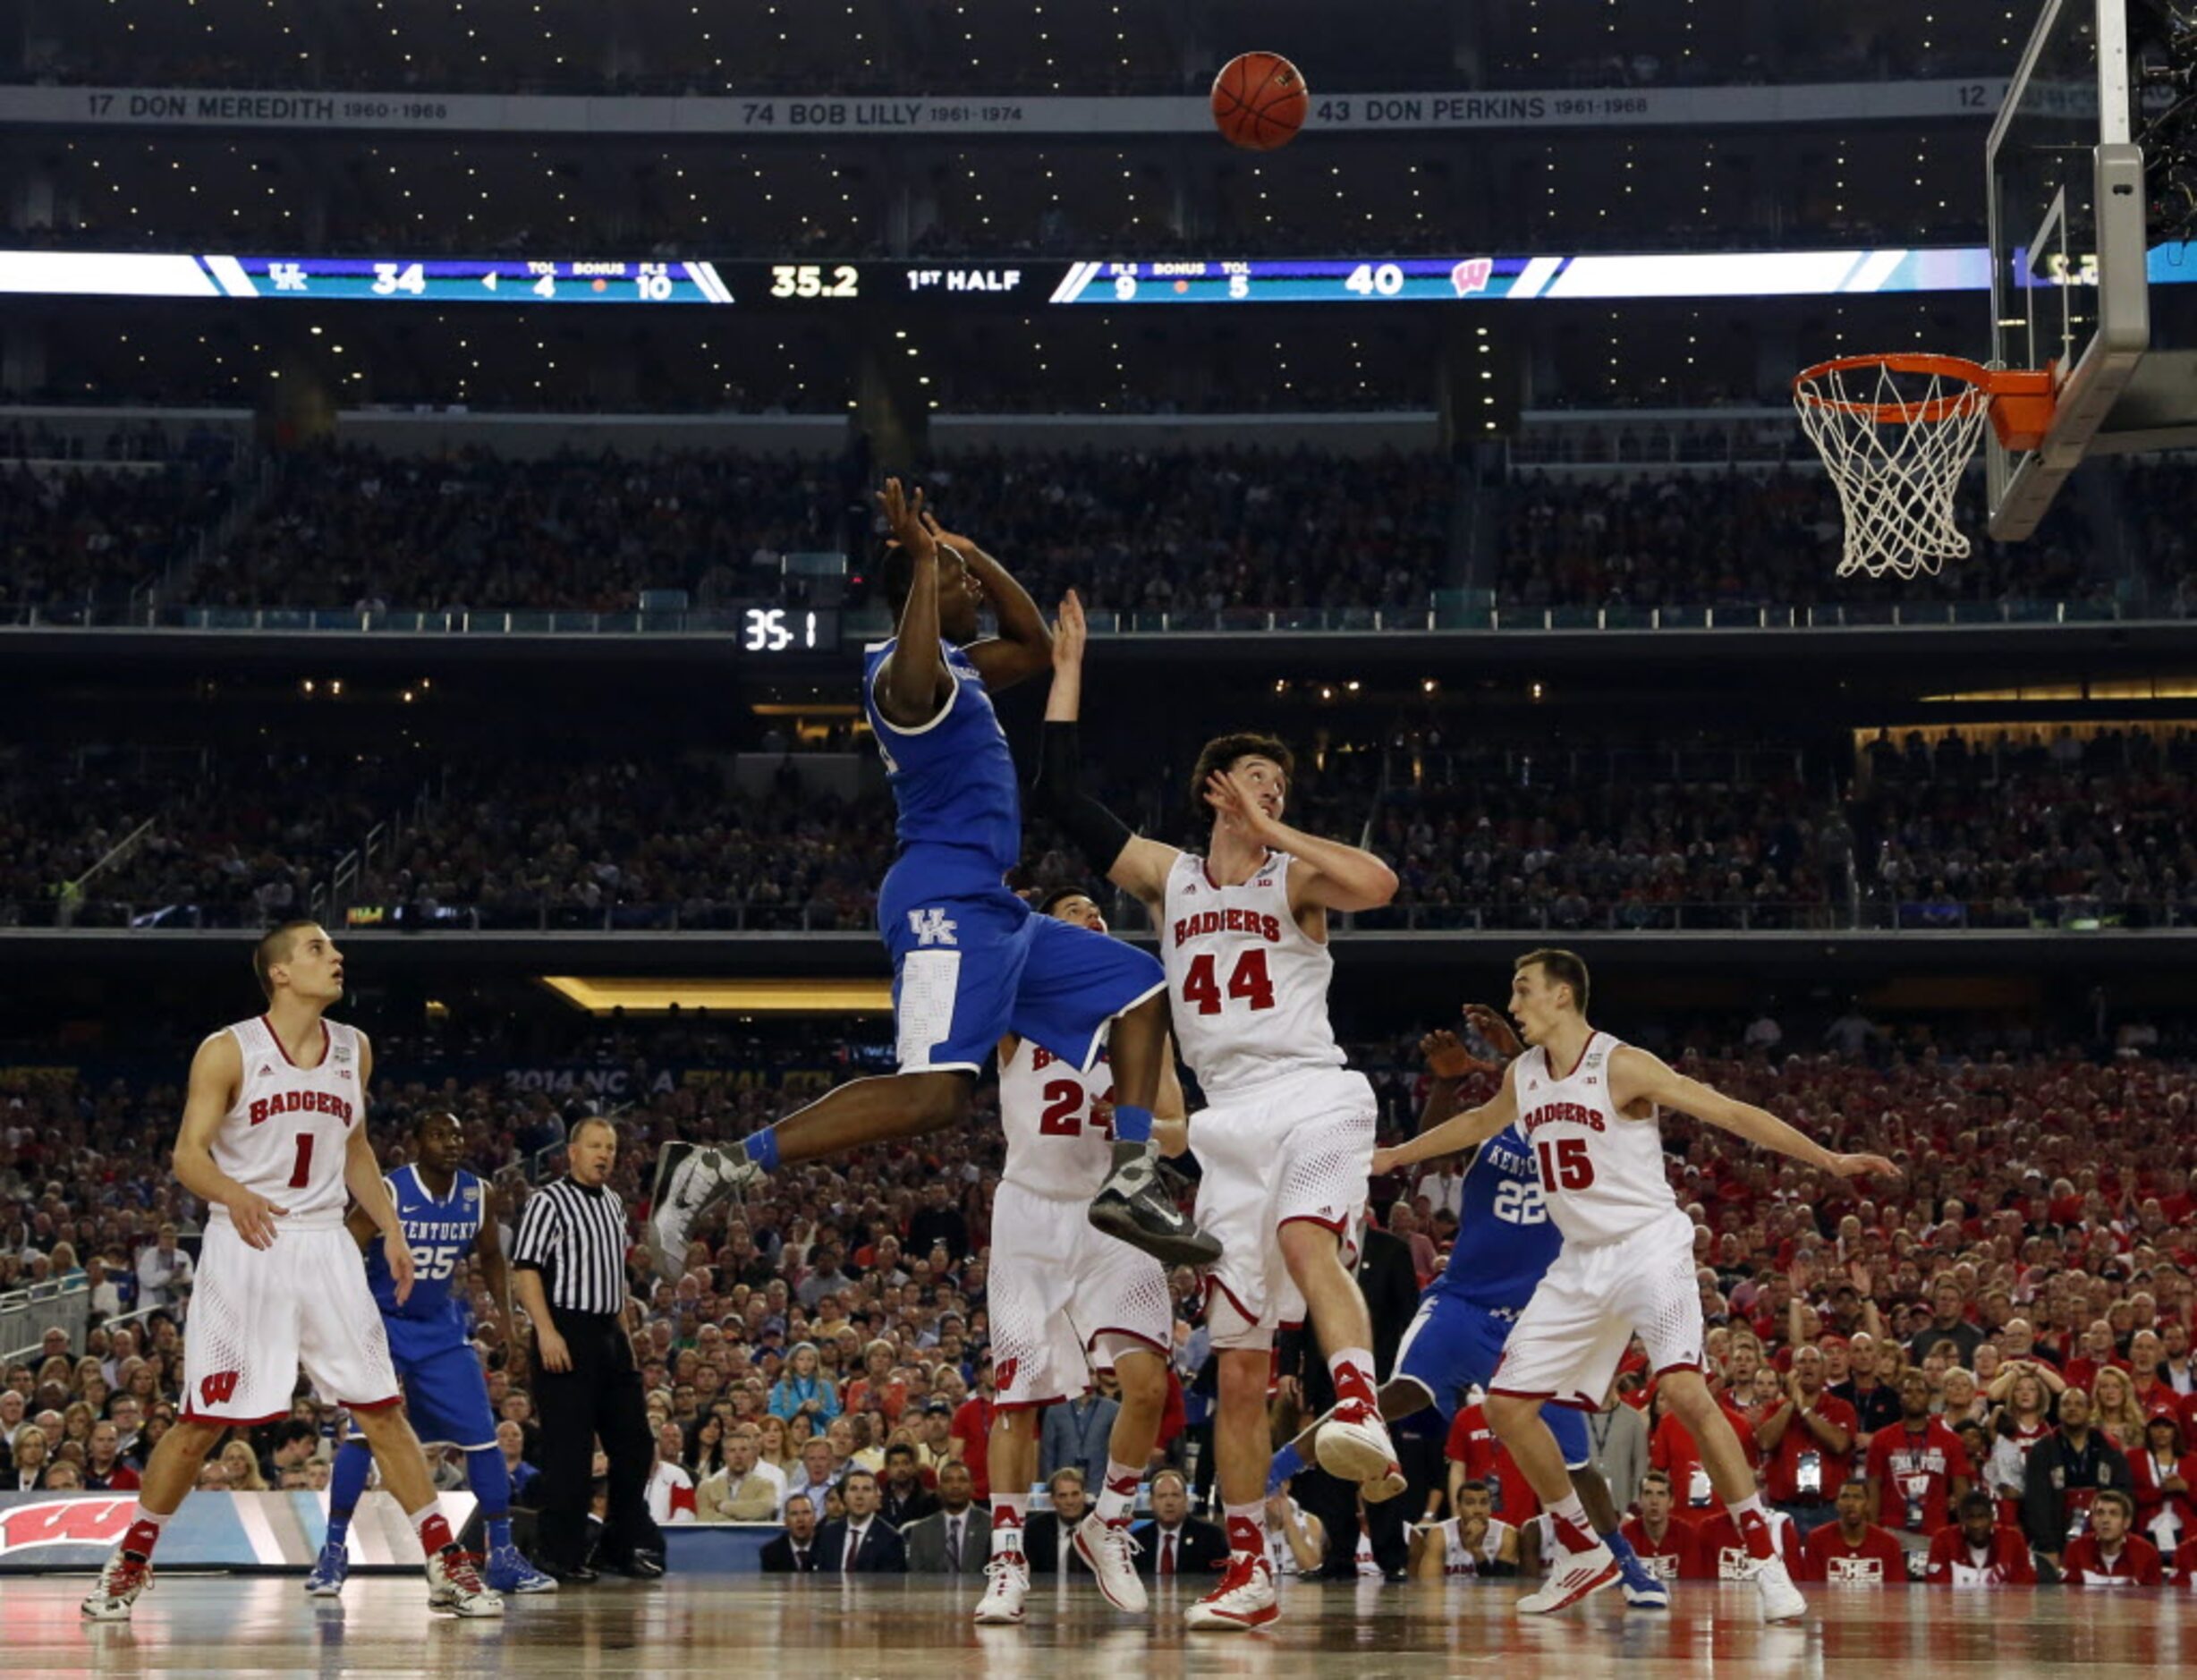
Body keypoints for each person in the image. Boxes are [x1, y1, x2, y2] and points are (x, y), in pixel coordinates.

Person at [648, 488, 1204, 1279]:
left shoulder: (962, 666)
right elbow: (919, 666)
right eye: (956, 584)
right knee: (933, 1096)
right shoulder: (903, 683)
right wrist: (919, 560)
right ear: (915, 595)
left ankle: (1132, 1176)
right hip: (942, 903)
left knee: (1140, 986)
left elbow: (1038, 644)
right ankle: (719, 1164)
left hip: (996, 907)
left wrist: (965, 552)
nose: (972, 591)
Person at [1033, 590, 1405, 1632]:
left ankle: (1359, 1409)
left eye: (1280, 781)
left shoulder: (1297, 880)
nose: (1269, 790)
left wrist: (1276, 822)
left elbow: (1379, 884)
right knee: (1238, 1373)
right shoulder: (1171, 879)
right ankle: (1247, 1569)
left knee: (1304, 1238)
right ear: (1210, 789)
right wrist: (1067, 673)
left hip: (1315, 1092)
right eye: (1253, 777)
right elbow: (1061, 799)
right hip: (1225, 1121)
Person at [1374, 947, 1896, 1623]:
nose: (1514, 1004)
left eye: (1524, 990)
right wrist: (1392, 1155)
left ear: (1563, 996)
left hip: (1649, 1247)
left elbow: (1728, 1112)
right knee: (1506, 1408)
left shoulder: (1620, 1064)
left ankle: (1765, 1558)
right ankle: (1581, 1548)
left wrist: (1825, 1158)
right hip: (1579, 1263)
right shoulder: (1526, 1073)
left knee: (1682, 1390)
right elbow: (1477, 1123)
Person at [82, 922, 499, 1621]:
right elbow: (188, 1156)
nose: (336, 958)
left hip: (326, 1243)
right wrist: (236, 1193)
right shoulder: (227, 1050)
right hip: (248, 1243)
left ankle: (445, 1563)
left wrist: (391, 1228)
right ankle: (129, 1562)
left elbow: (355, 1146)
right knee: (201, 1423)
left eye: (334, 950)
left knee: (381, 1409)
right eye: (317, 950)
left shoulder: (354, 1050)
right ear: (279, 973)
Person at [1274, 1012, 1666, 1607]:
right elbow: (1426, 1158)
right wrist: (1449, 1086)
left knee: (1579, 1461)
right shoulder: (1494, 1127)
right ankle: (1273, 1471)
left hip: (1536, 1321)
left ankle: (1627, 1565)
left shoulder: (1590, 1138)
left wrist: (1510, 1053)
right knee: (1388, 1395)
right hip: (1462, 1303)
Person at [978, 881, 1188, 1625]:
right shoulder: (1013, 1008)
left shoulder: (1137, 1018)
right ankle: (1007, 1560)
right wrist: (1001, 907)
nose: (1091, 922)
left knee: (1149, 1384)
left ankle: (1111, 1524)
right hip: (1029, 1212)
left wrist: (1134, 1124)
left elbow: (1178, 1131)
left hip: (1109, 1209)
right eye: (1074, 917)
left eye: (1098, 917)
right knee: (1019, 1396)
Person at [311, 1109, 553, 1598]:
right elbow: (342, 1247)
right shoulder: (391, 1190)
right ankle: (334, 1551)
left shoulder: (478, 1193)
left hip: (441, 1328)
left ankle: (502, 1555)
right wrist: (345, 1315)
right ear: (416, 1142)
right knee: (362, 1436)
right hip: (382, 1326)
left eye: (458, 1134)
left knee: (482, 1438)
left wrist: (507, 1322)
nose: (451, 1142)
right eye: (439, 1135)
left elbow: (490, 1257)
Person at [511, 1116, 664, 1583]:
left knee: (635, 1445)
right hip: (565, 1330)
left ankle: (618, 1545)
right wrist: (546, 1330)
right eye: (595, 1146)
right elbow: (526, 1269)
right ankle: (559, 1553)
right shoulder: (549, 1201)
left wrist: (625, 1339)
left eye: (611, 1147)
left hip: (608, 1333)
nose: (604, 1155)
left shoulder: (615, 1205)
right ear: (572, 1152)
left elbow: (612, 1277)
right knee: (569, 1453)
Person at [2022, 1387, 2133, 1575]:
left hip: (2101, 1532)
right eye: (2066, 1404)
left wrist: (2115, 1537)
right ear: (2058, 1411)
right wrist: (2047, 1547)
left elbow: (2123, 1493)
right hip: (2056, 1531)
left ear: (2090, 1410)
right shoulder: (2043, 1448)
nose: (2072, 1409)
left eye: (2079, 1404)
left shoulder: (2108, 1446)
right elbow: (2036, 1501)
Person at [1866, 1369, 1972, 1557]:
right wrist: (1873, 1533)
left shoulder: (1951, 1441)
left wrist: (1963, 1534)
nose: (1914, 1396)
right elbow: (1873, 1488)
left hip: (1935, 1531)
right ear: (1900, 1398)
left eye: (1920, 1391)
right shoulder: (1881, 1439)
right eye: (1908, 1391)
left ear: (1930, 1398)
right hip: (1891, 1531)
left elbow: (1962, 1492)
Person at [1758, 1345, 1857, 1540]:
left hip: (1828, 1509)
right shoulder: (1776, 1409)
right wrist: (1790, 1405)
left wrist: (1804, 1410)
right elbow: (1765, 1443)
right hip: (1785, 1509)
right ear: (1793, 1371)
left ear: (1824, 1370)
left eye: (1814, 1362)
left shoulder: (1841, 1407)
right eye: (1802, 1362)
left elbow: (1839, 1444)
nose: (1807, 1367)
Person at [1923, 1488, 2036, 1587]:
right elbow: (1937, 1592)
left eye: (1982, 1517)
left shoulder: (2013, 1540)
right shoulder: (1943, 1540)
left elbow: (2024, 1590)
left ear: (1992, 1518)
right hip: (1955, 1610)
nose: (1976, 1524)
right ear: (1961, 1519)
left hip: (2002, 1610)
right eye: (1970, 1517)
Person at [1802, 1479, 1907, 1584]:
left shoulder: (1889, 1544)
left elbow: (1896, 1592)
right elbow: (1813, 1591)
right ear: (1837, 1504)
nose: (1851, 1503)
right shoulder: (1817, 1540)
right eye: (1845, 1497)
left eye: (1857, 1497)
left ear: (1868, 1504)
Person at [1410, 1477, 1518, 1579]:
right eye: (1470, 1503)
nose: (1478, 1510)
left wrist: (1476, 1550)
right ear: (1458, 1507)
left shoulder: (1506, 1533)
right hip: (1449, 1597)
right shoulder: (1439, 1533)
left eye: (1484, 1503)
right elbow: (1430, 1585)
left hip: (1491, 1598)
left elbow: (1505, 1584)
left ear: (1491, 1507)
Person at [1131, 1469, 1227, 1579]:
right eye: (1162, 1496)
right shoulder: (1137, 1542)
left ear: (1186, 1500)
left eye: (1175, 1495)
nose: (1169, 1503)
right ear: (1151, 1502)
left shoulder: (1211, 1538)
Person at [814, 1467, 908, 1574]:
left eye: (866, 1489)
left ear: (876, 1497)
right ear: (844, 1496)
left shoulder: (891, 1539)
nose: (859, 1496)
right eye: (853, 1489)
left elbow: (893, 1586)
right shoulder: (829, 1534)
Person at [2060, 1488, 2162, 1585]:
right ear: (2092, 1520)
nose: (2105, 1520)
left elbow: (2153, 1600)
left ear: (2127, 1522)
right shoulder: (2076, 1549)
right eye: (2100, 1513)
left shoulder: (2147, 1553)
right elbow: (2069, 1597)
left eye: (2113, 1514)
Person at [903, 1461, 989, 1575]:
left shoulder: (990, 1527)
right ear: (938, 1489)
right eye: (948, 1481)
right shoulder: (921, 1531)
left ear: (972, 1487)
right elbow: (916, 1578)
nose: (955, 1486)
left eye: (962, 1480)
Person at [1618, 1470, 1700, 1584]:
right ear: (1640, 1502)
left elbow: (1691, 1586)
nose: (1654, 1501)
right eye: (1648, 1493)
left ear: (1671, 1502)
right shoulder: (1625, 1536)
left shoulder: (1687, 1535)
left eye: (1661, 1494)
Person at [134, 1224, 193, 1316]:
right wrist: (170, 1274)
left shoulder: (183, 1255)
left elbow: (189, 1278)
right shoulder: (148, 1255)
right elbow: (149, 1280)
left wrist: (174, 1277)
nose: (169, 1241)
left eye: (172, 1238)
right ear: (159, 1239)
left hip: (175, 1306)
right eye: (165, 1237)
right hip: (152, 1305)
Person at [877, 1440, 938, 1528]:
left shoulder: (930, 1499)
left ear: (914, 1466)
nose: (901, 1469)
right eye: (895, 1464)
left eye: (905, 1463)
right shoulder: (879, 1500)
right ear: (888, 1468)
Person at [759, 1492, 823, 1573]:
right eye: (794, 1514)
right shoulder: (771, 1552)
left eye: (806, 1513)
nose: (800, 1519)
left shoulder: (828, 1549)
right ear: (786, 1521)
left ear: (814, 1518)